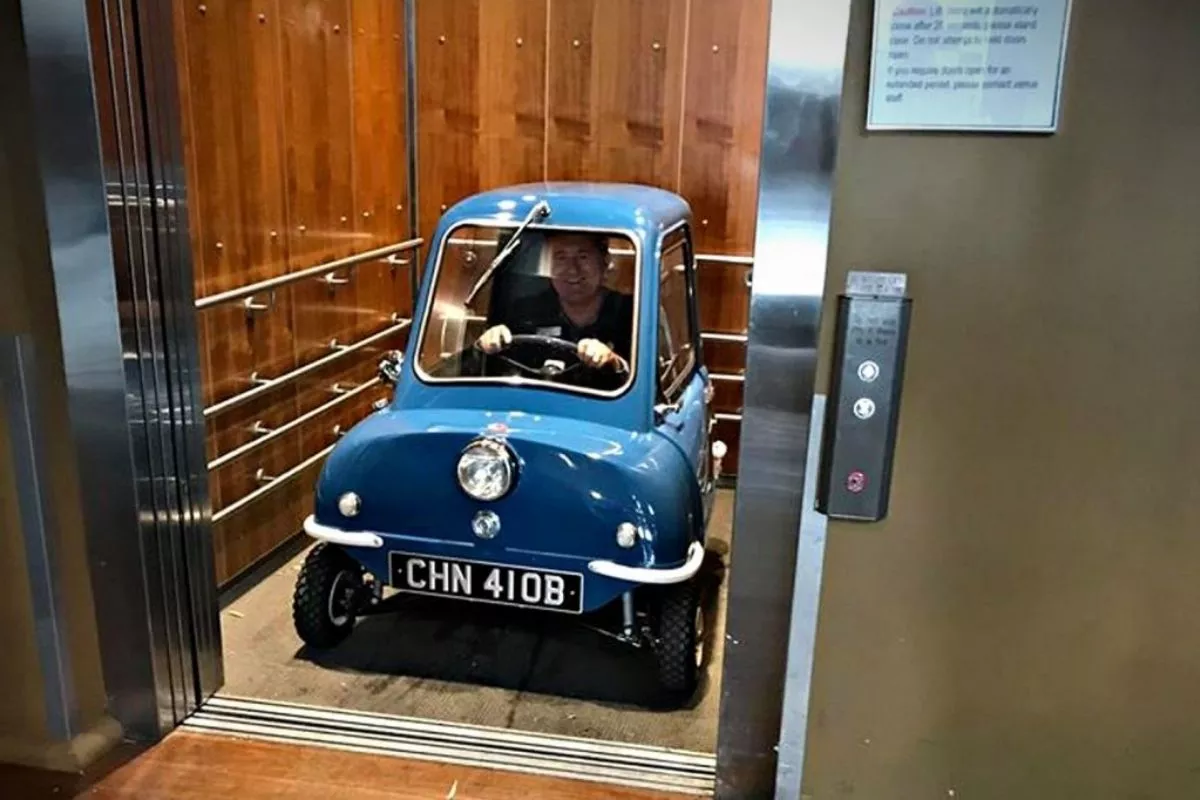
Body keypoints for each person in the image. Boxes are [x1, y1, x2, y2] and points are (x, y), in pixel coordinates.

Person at [476, 232, 633, 374]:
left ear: (605, 261)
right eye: (561, 257)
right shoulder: (524, 311)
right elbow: (481, 372)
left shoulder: (633, 314)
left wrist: (613, 362)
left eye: (583, 256)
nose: (572, 270)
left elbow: (651, 387)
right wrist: (484, 346)